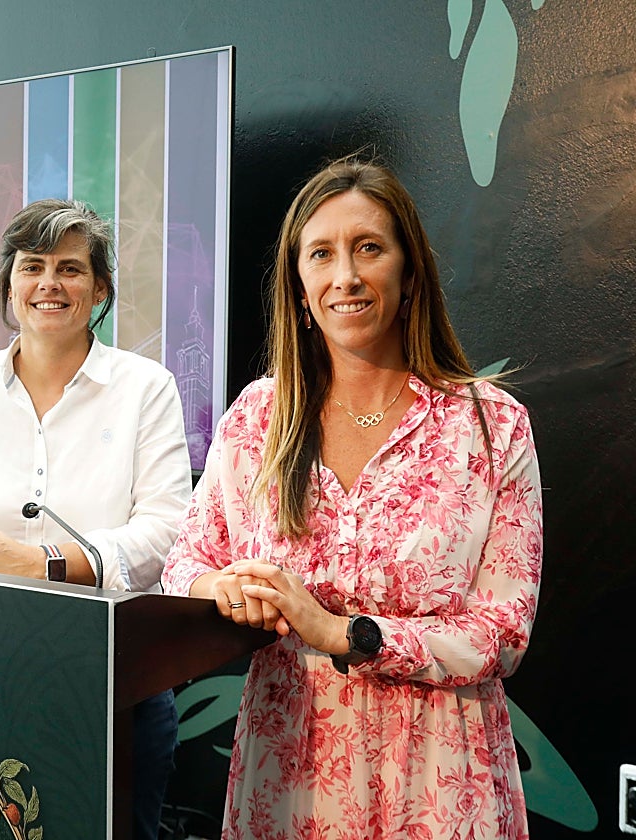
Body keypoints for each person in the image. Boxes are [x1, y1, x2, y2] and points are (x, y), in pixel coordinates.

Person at [162, 156, 543, 839]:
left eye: (369, 248)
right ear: (299, 283)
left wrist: (342, 633)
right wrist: (225, 588)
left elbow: (502, 633)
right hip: (287, 776)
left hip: (438, 785)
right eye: (321, 254)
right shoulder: (257, 418)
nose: (346, 275)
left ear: (408, 271)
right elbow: (185, 564)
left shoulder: (489, 425)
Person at [0, 197, 193, 840]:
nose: (49, 284)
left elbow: (168, 533)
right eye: (32, 266)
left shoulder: (147, 387)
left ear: (100, 287)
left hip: (114, 680)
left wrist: (46, 564)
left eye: (70, 269)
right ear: (10, 285)